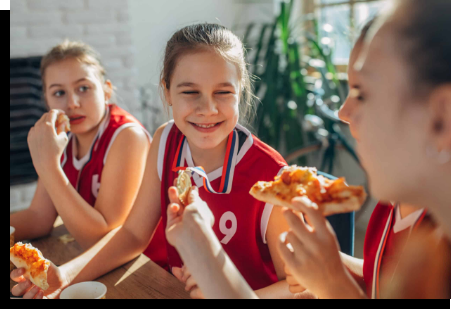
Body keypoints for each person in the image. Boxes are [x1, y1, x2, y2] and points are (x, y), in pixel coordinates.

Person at [11, 24, 309, 299]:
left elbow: (301, 286)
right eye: (190, 92)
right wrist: (63, 276)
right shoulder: (166, 139)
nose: (207, 108)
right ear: (166, 90)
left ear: (241, 91)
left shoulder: (273, 177)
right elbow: (132, 235)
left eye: (223, 92)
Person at [278, 0, 451, 299]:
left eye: (362, 92)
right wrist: (330, 268)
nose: (344, 112)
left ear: (442, 118)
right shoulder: (401, 216)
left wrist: (334, 287)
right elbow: (384, 277)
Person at [10, 41, 151, 251]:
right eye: (59, 93)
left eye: (83, 88)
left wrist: (48, 166)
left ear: (106, 91)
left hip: (150, 267)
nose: (72, 103)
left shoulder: (128, 136)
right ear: (47, 101)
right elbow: (39, 217)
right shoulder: (61, 138)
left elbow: (102, 241)